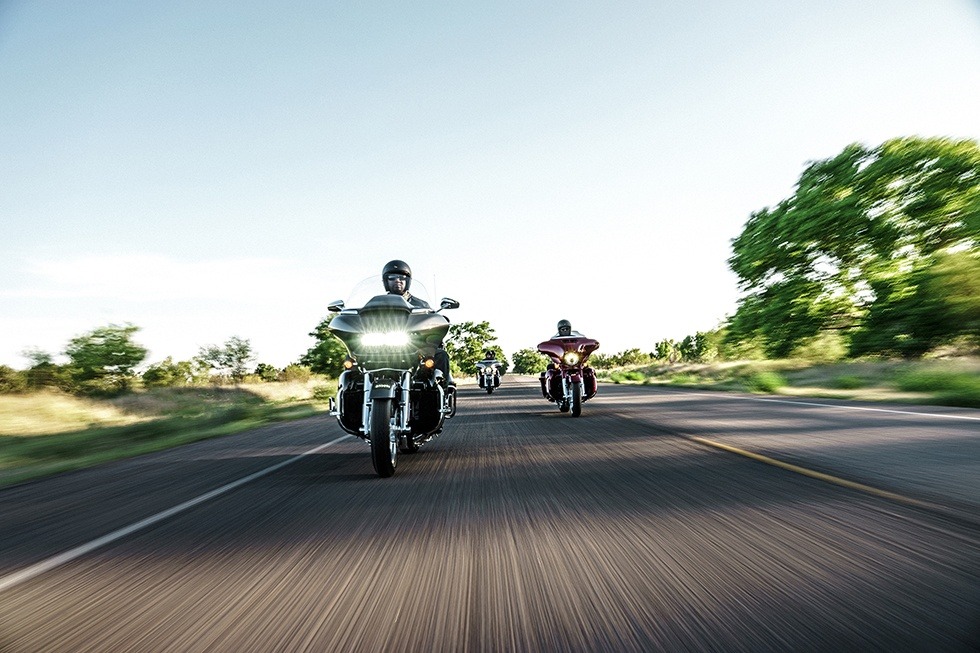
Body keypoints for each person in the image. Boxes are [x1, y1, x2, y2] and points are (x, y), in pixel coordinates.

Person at [382, 259, 454, 386]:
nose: (397, 281)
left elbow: (432, 320)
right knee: (352, 361)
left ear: (407, 281)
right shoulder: (377, 305)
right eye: (392, 278)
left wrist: (439, 319)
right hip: (382, 349)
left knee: (441, 355)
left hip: (416, 348)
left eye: (402, 278)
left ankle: (442, 389)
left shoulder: (421, 305)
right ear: (386, 281)